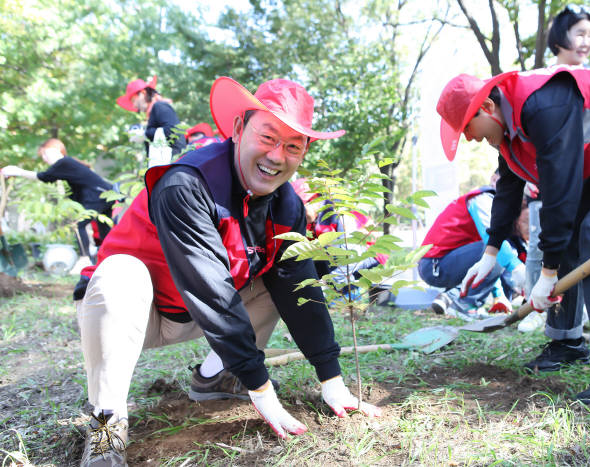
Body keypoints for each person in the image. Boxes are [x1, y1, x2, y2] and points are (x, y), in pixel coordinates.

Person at [75, 77, 381, 466]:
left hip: (197, 317)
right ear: (238, 129)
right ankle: (106, 430)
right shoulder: (186, 184)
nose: (276, 156)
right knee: (119, 273)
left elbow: (300, 292)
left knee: (281, 278)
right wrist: (262, 389)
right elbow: (213, 293)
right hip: (138, 314)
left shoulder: (286, 206)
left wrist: (332, 382)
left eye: (292, 146)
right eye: (267, 137)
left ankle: (215, 377)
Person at [437, 65, 590, 404]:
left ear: (487, 108)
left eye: (468, 128)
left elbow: (560, 192)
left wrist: (548, 273)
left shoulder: (543, 106)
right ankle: (568, 343)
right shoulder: (509, 130)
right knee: (573, 236)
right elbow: (509, 188)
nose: (470, 138)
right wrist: (490, 253)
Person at [520, 4, 590, 333]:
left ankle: (583, 322)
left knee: (585, 243)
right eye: (579, 33)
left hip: (584, 177)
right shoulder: (545, 83)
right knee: (544, 245)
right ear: (559, 36)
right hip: (548, 182)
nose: (586, 42)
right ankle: (542, 315)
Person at [418, 173, 527, 320]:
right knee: (499, 248)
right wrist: (516, 267)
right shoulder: (483, 199)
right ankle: (462, 305)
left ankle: (453, 297)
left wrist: (499, 296)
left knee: (505, 248)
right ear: (495, 180)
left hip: (449, 261)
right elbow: (491, 243)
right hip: (434, 265)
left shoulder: (502, 208)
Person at [1, 138, 116, 259]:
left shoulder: (63, 162)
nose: (45, 159)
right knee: (105, 231)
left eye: (45, 154)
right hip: (106, 195)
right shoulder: (67, 163)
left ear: (54, 150)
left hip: (98, 196)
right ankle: (108, 256)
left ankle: (85, 258)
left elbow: (44, 176)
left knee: (78, 225)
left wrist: (17, 171)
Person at [116, 75, 186, 155]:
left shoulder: (159, 106)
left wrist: (144, 134)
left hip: (174, 161)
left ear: (143, 93)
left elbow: (171, 130)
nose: (134, 105)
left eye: (133, 100)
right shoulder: (153, 112)